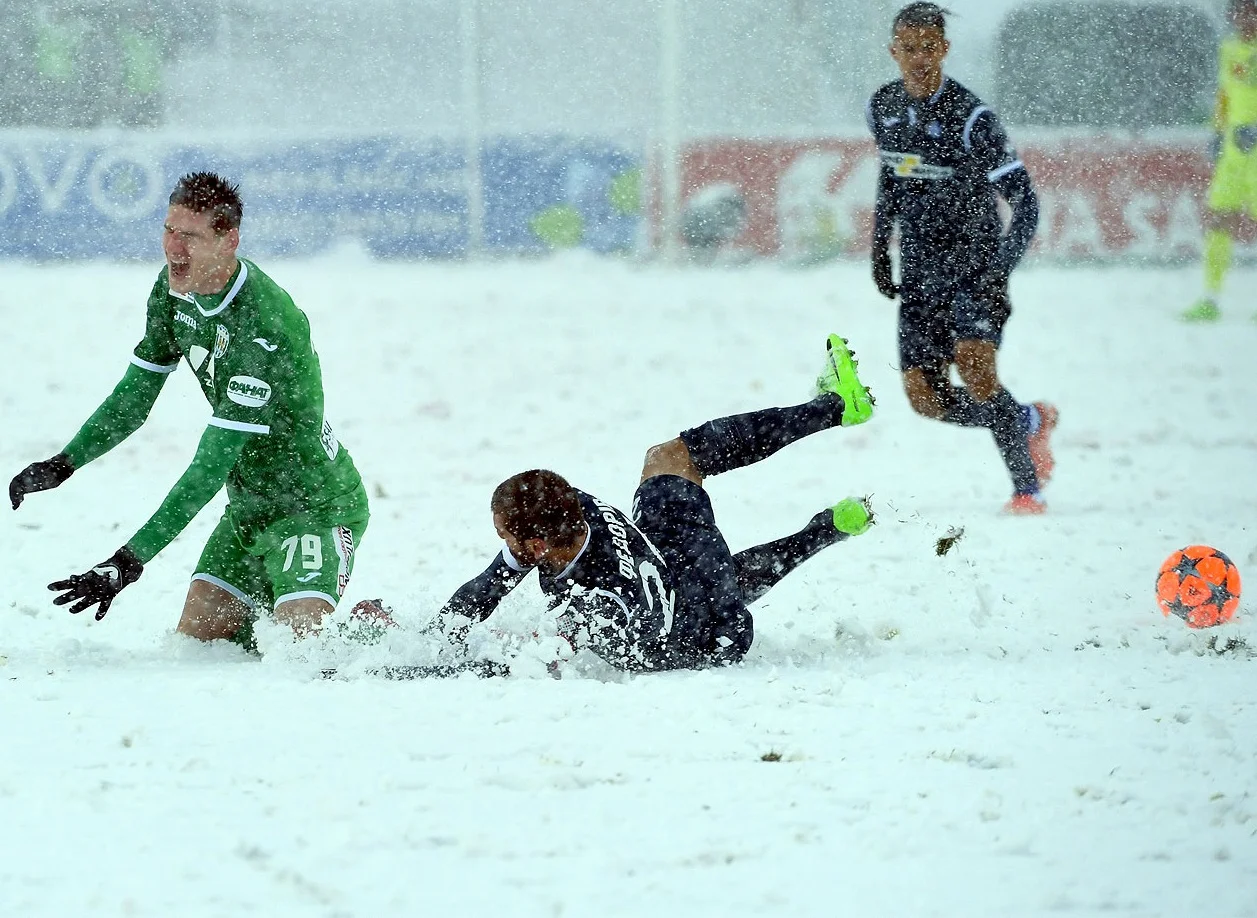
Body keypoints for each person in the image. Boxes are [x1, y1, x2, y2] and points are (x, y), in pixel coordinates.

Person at [8, 172, 369, 642]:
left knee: (304, 653)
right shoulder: (172, 290)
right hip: (247, 510)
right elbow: (136, 396)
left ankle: (375, 627)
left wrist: (128, 561)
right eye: (168, 231)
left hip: (312, 507)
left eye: (191, 237)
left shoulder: (262, 327)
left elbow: (207, 470)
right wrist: (65, 462)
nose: (173, 250)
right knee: (199, 644)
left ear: (228, 240)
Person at [427, 335, 875, 674]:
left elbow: (534, 657)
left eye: (504, 533)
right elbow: (487, 588)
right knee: (671, 463)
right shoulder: (570, 504)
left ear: (538, 545)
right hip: (667, 561)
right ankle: (832, 417)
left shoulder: (589, 602)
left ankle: (829, 522)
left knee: (718, 587)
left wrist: (433, 660)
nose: (501, 542)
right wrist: (435, 635)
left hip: (708, 640)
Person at [867, 2, 1057, 515]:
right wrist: (879, 249)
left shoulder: (971, 118)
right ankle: (1025, 421)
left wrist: (999, 269)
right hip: (920, 275)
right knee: (924, 400)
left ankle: (1026, 490)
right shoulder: (882, 107)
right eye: (909, 48)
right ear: (894, 52)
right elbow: (892, 178)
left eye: (930, 47)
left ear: (945, 49)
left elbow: (1026, 203)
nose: (920, 57)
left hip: (974, 271)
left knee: (977, 373)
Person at [1183, 0, 1257, 322]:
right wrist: (1217, 131)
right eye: (1238, 11)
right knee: (1219, 217)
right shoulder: (1230, 47)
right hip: (1233, 150)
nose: (1241, 18)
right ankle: (1210, 299)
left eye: (1248, 10)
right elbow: (1225, 93)